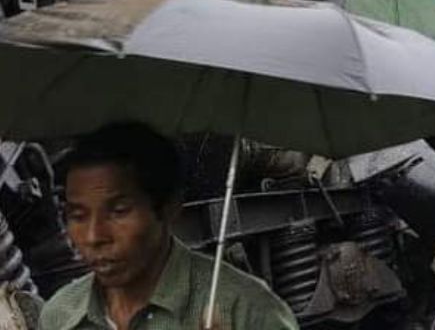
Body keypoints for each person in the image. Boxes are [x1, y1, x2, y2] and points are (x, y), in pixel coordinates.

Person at [39, 122, 299, 330]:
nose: (94, 236)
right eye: (78, 215)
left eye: (118, 212)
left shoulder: (246, 311)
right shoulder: (60, 316)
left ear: (168, 209)